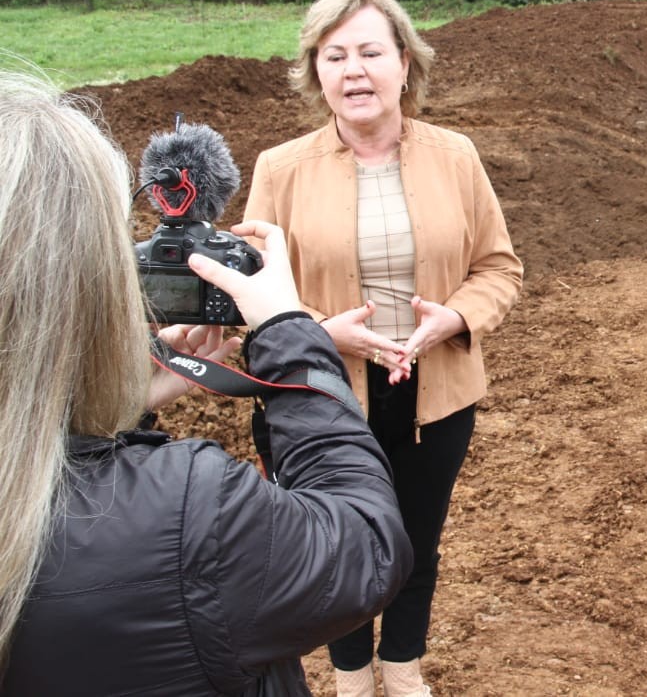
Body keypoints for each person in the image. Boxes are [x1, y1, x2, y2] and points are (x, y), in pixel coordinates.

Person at [0, 68, 413, 695]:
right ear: (89, 282)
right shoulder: (189, 511)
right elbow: (363, 547)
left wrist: (108, 408)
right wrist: (287, 331)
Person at [243, 0, 523, 697]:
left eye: (369, 52)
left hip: (435, 397)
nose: (354, 71)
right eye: (334, 57)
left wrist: (454, 317)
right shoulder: (279, 170)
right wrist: (316, 331)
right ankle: (350, 677)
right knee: (337, 544)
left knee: (416, 542)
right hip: (322, 399)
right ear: (316, 73)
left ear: (405, 61)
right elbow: (251, 297)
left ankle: (402, 666)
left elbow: (499, 267)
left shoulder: (456, 156)